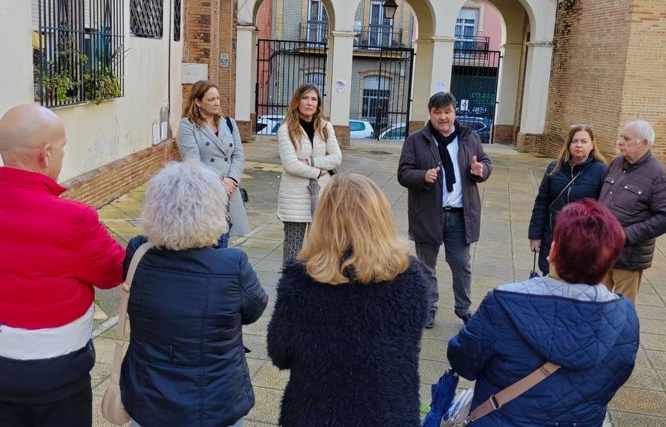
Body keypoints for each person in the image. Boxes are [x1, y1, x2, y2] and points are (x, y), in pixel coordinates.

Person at [0, 104, 126, 427]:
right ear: (46, 154)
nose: (61, 157)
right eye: (61, 149)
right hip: (53, 371)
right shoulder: (73, 219)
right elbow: (113, 271)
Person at [447, 199, 639, 426]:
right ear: (609, 262)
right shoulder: (626, 315)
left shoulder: (503, 303)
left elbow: (463, 363)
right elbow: (616, 376)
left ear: (554, 251)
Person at [267, 173, 429, 426]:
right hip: (388, 413)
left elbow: (280, 353)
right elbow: (408, 342)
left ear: (324, 220)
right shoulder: (409, 278)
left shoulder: (301, 280)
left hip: (314, 414)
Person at [119, 161, 268, 427]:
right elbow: (255, 308)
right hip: (216, 403)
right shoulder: (232, 264)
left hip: (148, 397)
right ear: (214, 211)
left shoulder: (138, 252)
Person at [397, 91, 491, 328]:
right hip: (428, 214)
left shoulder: (469, 137)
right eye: (437, 112)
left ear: (454, 112)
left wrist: (482, 170)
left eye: (447, 111)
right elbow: (403, 173)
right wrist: (422, 176)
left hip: (460, 214)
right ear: (430, 114)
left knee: (461, 264)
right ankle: (428, 308)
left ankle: (463, 308)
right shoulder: (416, 140)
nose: (443, 117)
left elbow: (485, 161)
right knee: (426, 266)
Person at [599, 119, 666, 304]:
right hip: (601, 251)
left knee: (621, 311)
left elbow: (663, 218)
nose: (619, 141)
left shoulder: (659, 175)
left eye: (626, 138)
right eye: (620, 137)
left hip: (628, 257)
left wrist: (625, 235)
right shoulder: (616, 164)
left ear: (644, 143)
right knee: (596, 304)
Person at [177, 80, 249, 247]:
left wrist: (232, 180)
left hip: (229, 192)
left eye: (218, 98)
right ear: (197, 101)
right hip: (205, 193)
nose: (216, 103)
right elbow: (192, 161)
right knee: (207, 244)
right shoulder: (188, 126)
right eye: (211, 99)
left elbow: (238, 155)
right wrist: (219, 181)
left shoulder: (229, 123)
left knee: (223, 243)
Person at [277, 83, 342, 266]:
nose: (309, 103)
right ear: (297, 101)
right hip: (295, 196)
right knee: (293, 250)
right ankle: (290, 289)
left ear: (318, 103)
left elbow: (336, 158)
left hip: (322, 193)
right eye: (305, 98)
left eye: (313, 99)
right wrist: (320, 171)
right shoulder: (286, 129)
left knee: (320, 248)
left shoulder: (325, 127)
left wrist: (311, 162)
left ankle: (316, 288)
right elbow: (291, 165)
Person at [528, 124, 607, 275]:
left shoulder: (601, 171)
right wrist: (535, 235)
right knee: (549, 279)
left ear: (592, 145)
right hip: (552, 236)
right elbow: (541, 203)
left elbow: (603, 211)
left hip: (582, 240)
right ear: (568, 144)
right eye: (574, 141)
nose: (578, 145)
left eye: (584, 141)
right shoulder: (555, 167)